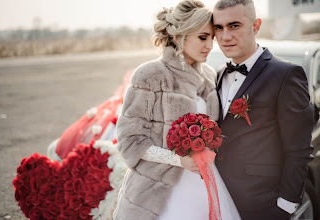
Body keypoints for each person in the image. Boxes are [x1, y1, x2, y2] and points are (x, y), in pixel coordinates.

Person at [114, 0, 240, 219]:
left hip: (206, 181)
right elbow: (130, 140)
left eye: (211, 38)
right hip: (156, 191)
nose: (210, 45)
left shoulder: (210, 76)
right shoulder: (151, 75)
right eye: (202, 37)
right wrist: (179, 160)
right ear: (180, 36)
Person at [212, 0, 314, 219]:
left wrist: (285, 207)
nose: (225, 36)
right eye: (218, 27)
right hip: (219, 200)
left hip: (263, 206)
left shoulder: (286, 75)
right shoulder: (219, 74)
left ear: (256, 26)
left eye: (234, 25)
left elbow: (299, 150)